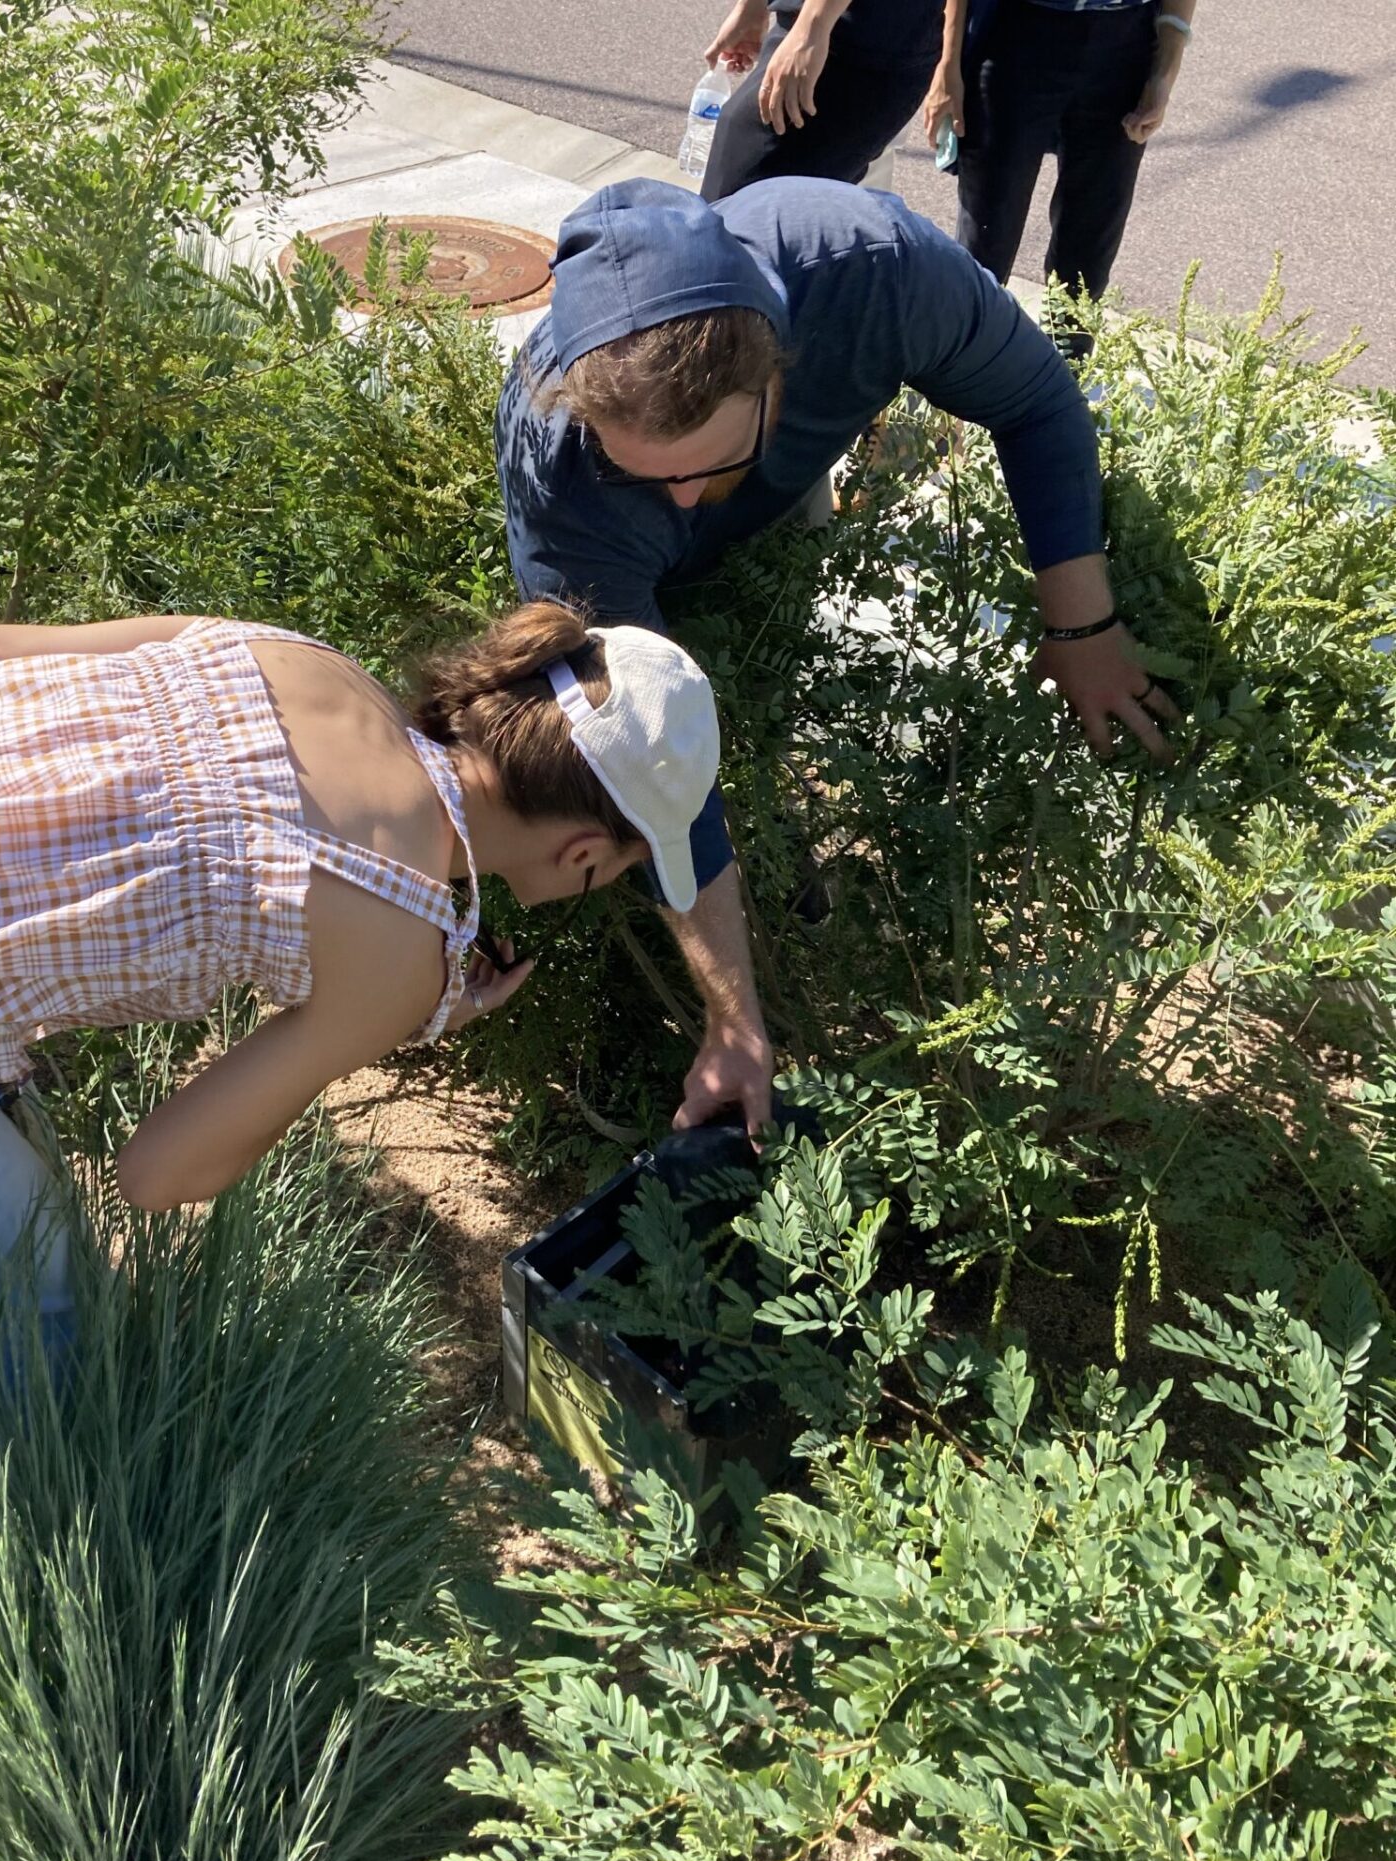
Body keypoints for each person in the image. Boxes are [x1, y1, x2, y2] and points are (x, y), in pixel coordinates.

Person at [0, 606, 720, 1414]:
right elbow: (158, 1174)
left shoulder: (303, 662)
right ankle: (48, 1632)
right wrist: (404, 1015)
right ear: (583, 850)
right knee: (64, 1365)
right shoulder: (399, 946)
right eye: (622, 865)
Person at [497, 175, 1181, 1133]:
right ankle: (711, 939)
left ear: (778, 369)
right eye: (645, 471)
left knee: (768, 681)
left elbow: (1038, 401)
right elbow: (651, 762)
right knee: (650, 776)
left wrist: (1083, 627)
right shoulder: (562, 465)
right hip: (618, 569)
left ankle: (783, 861)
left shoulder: (872, 267)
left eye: (704, 466)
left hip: (788, 495)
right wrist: (733, 1020)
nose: (686, 504)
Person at [945, 0, 1198, 345]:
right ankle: (953, 380)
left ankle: (1060, 385)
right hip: (1016, 36)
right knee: (985, 246)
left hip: (1125, 47)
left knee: (1086, 262)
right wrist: (947, 67)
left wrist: (1165, 71)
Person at [699, 0, 950, 201]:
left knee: (742, 208)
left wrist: (811, 29)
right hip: (815, 29)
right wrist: (752, 6)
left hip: (854, 46)